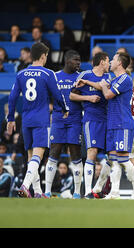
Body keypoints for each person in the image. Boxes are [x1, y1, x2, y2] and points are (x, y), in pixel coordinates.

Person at [7, 42, 69, 198]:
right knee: (38, 155)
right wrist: (64, 108)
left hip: (26, 120)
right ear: (43, 56)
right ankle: (25, 186)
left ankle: (38, 192)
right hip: (41, 120)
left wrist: (10, 118)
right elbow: (57, 94)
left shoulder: (21, 74)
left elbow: (13, 97)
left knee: (30, 157)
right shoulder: (48, 74)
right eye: (46, 55)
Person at [97, 52, 134, 199]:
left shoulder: (125, 79)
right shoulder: (116, 79)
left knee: (124, 158)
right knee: (113, 159)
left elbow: (107, 95)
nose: (110, 61)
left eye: (113, 59)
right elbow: (104, 87)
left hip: (122, 124)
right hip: (113, 124)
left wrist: (104, 86)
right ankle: (114, 192)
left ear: (119, 63)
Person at [43, 50, 85, 199]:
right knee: (54, 152)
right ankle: (47, 191)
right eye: (76, 60)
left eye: (79, 60)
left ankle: (77, 192)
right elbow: (45, 96)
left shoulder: (82, 77)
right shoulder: (54, 76)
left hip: (75, 120)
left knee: (75, 154)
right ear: (67, 61)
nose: (79, 62)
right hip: (58, 120)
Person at [70, 51, 111, 199]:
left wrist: (88, 85)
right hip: (91, 119)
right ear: (101, 62)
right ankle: (88, 191)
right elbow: (71, 95)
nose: (109, 64)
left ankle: (98, 187)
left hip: (107, 119)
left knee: (111, 156)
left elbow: (105, 88)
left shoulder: (108, 77)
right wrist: (88, 97)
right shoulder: (85, 74)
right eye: (108, 61)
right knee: (91, 152)